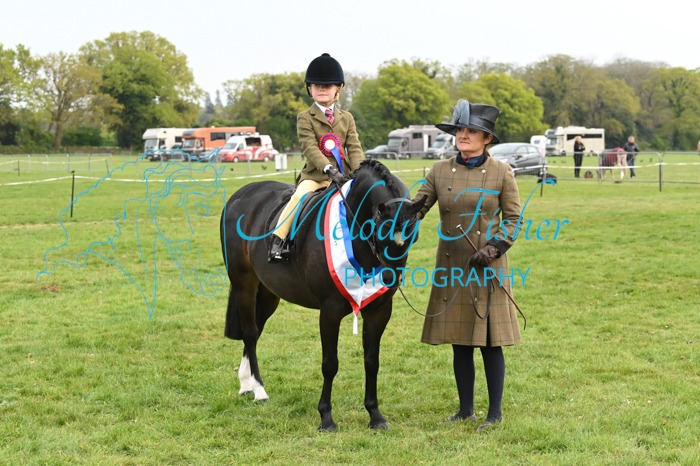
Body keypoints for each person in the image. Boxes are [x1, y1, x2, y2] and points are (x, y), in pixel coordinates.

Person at [413, 99, 523, 432]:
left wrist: (494, 248)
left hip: (487, 266)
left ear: (487, 138)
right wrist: (398, 214)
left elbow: (514, 219)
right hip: (452, 266)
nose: (462, 135)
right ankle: (465, 410)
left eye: (471, 131)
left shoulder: (502, 172)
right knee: (459, 341)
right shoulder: (439, 170)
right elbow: (418, 205)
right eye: (459, 130)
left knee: (491, 344)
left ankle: (495, 414)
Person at [268, 53, 364, 262]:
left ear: (338, 88)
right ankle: (278, 240)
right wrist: (328, 169)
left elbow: (354, 147)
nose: (321, 89)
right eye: (316, 85)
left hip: (345, 177)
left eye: (327, 85)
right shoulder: (305, 117)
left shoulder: (347, 118)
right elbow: (310, 148)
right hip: (316, 176)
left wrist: (359, 171)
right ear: (309, 89)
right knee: (298, 197)